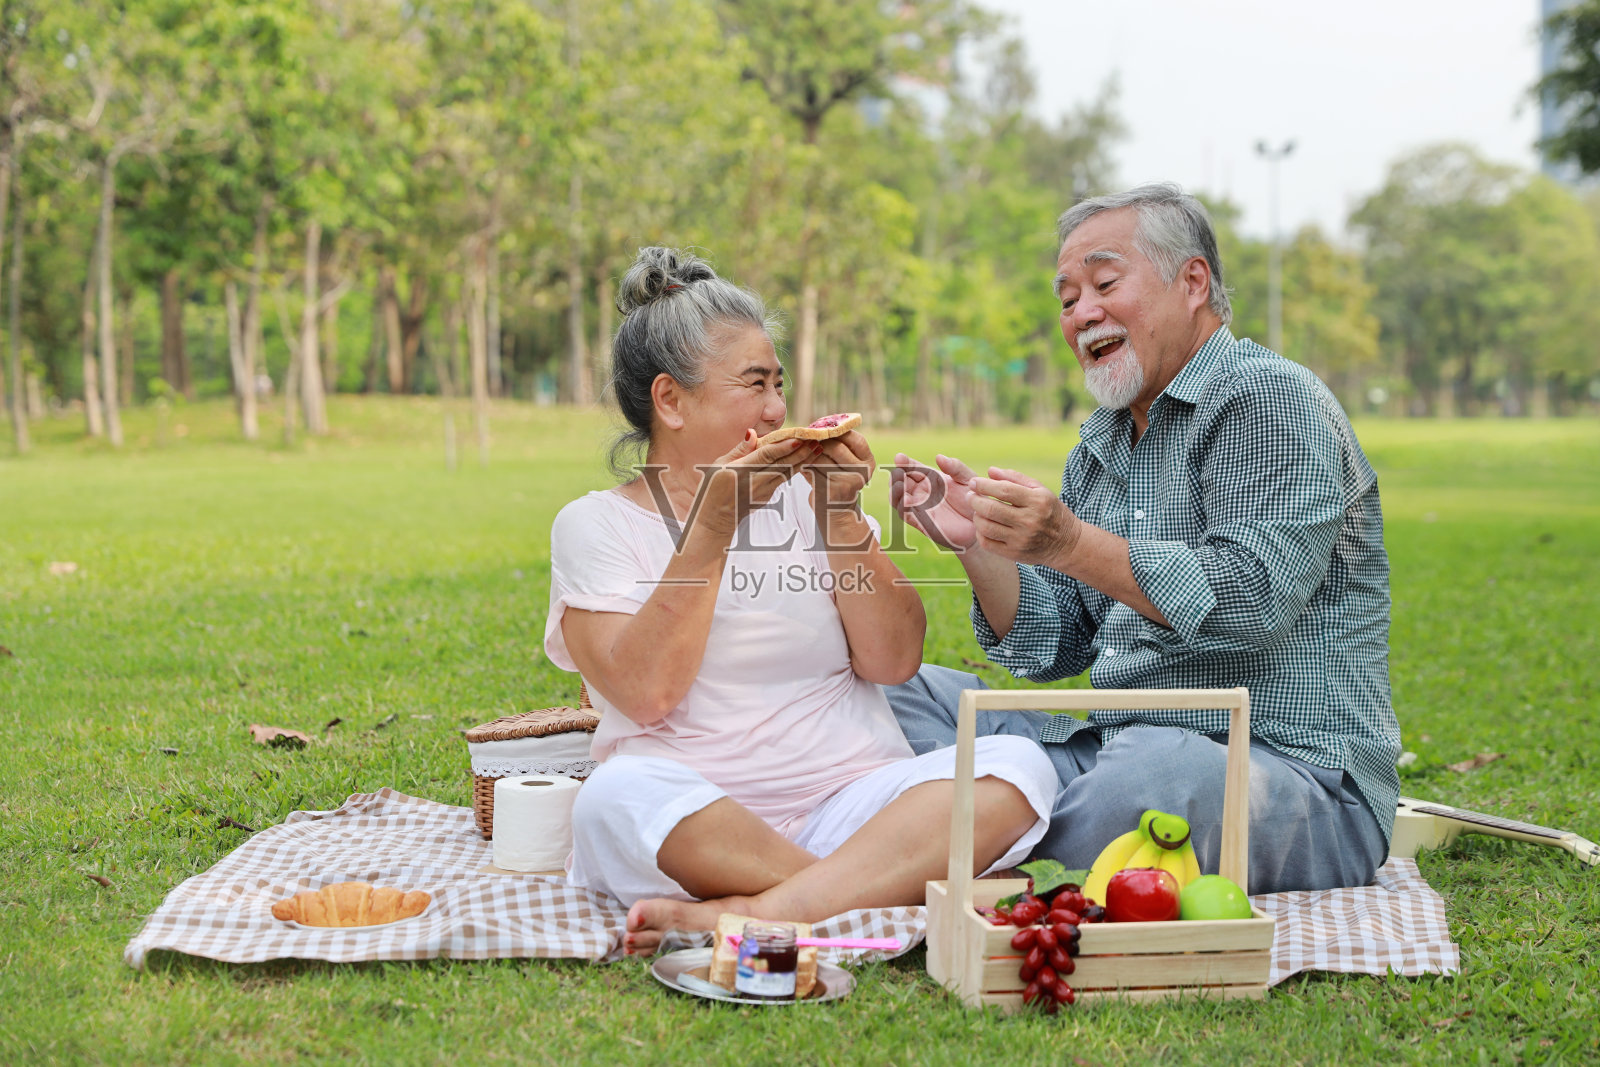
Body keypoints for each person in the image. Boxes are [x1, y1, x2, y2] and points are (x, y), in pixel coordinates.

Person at [887, 184, 1401, 895]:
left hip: (1283, 777)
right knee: (892, 690)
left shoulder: (1270, 399)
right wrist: (979, 545)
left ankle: (916, 841)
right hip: (1110, 748)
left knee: (1150, 778)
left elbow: (1249, 599)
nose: (1081, 313)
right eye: (1067, 299)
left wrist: (1067, 541)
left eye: (1103, 282)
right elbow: (1057, 640)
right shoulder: (1102, 442)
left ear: (1192, 281)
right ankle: (960, 832)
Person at [545, 247, 1059, 953]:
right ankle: (865, 891)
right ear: (670, 400)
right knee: (609, 801)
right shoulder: (593, 524)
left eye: (779, 384)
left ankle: (762, 912)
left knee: (1016, 768)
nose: (779, 409)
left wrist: (841, 514)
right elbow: (647, 693)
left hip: (853, 806)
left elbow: (895, 660)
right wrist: (714, 527)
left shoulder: (811, 502)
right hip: (699, 821)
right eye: (754, 384)